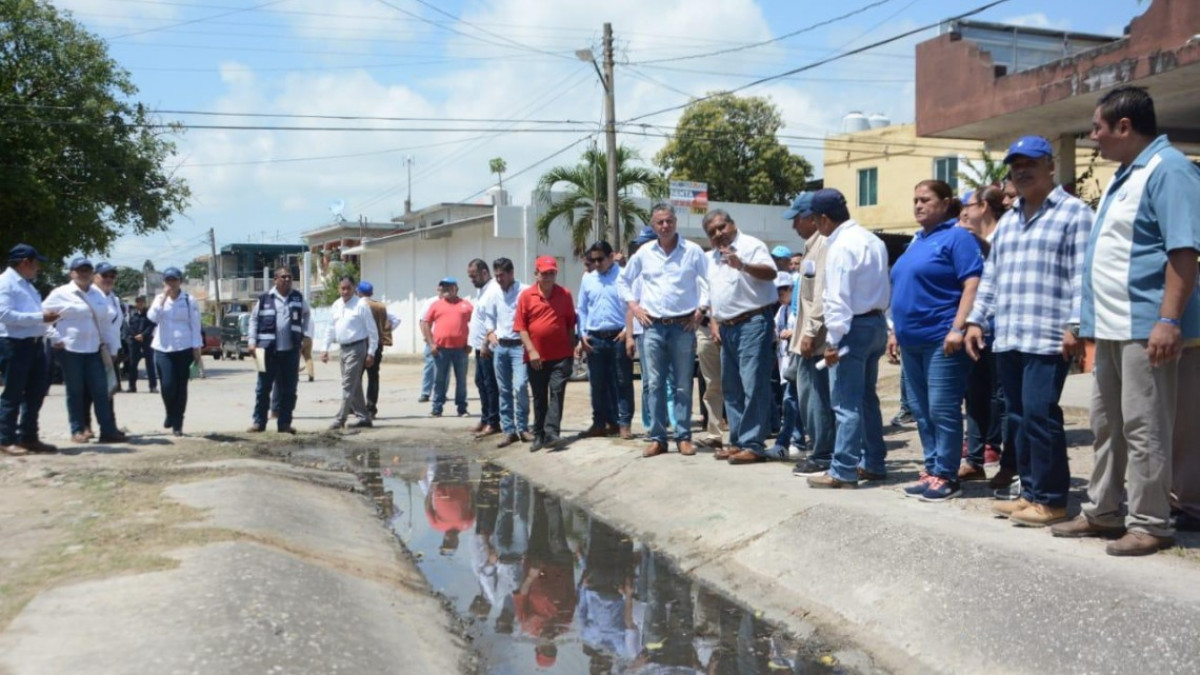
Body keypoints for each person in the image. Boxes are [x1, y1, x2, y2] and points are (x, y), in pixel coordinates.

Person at [1051, 87, 1200, 555]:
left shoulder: (1169, 170)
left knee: (1145, 425)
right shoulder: (1124, 175)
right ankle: (1104, 510)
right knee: (1107, 424)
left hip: (1144, 325)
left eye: (1097, 128)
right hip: (1113, 326)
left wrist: (1168, 320)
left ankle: (1151, 521)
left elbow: (1183, 250)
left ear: (1124, 127)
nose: (1092, 137)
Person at [962, 136, 1094, 526]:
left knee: (1040, 415)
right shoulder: (1008, 223)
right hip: (1010, 336)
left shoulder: (1074, 214)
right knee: (1018, 418)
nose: (1021, 170)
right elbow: (991, 279)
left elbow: (1083, 275)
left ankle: (1053, 500)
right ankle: (1031, 493)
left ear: (1050, 165)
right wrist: (975, 321)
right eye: (1015, 164)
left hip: (1049, 335)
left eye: (1030, 162)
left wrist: (1076, 325)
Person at [888, 180, 983, 501]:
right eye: (915, 199)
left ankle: (947, 474)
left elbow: (972, 282)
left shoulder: (958, 237)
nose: (918, 205)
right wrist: (893, 332)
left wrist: (959, 327)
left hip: (941, 339)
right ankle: (931, 469)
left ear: (945, 203)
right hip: (910, 340)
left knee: (942, 408)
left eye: (925, 199)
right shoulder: (916, 242)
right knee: (921, 409)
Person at [803, 189, 890, 490]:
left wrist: (832, 343)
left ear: (824, 219)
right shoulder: (873, 241)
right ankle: (875, 462)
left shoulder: (839, 247)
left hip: (850, 328)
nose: (815, 226)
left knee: (845, 403)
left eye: (814, 220)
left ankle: (843, 469)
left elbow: (837, 299)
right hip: (876, 323)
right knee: (866, 398)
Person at [618, 203, 709, 458]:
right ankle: (658, 438)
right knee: (654, 383)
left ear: (675, 222)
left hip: (683, 325)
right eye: (660, 222)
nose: (665, 226)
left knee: (682, 384)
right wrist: (634, 307)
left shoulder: (692, 251)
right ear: (652, 225)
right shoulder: (644, 253)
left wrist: (701, 311)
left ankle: (683, 436)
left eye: (669, 221)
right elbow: (623, 281)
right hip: (652, 326)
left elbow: (708, 281)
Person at [702, 209, 780, 465]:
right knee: (731, 387)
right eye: (712, 232)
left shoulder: (751, 245)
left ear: (732, 224)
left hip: (753, 322)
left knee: (753, 385)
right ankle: (737, 441)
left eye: (721, 227)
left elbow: (771, 273)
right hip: (727, 327)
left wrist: (742, 264)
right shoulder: (711, 259)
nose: (718, 234)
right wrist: (714, 321)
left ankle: (753, 444)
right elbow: (714, 293)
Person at [959, 186, 1014, 487]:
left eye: (969, 205)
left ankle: (1008, 465)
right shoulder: (967, 239)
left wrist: (975, 241)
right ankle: (975, 461)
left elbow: (999, 265)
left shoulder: (1004, 235)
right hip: (976, 329)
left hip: (1003, 329)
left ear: (984, 206)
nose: (964, 211)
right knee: (976, 397)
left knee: (1003, 400)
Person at [43, 258, 127, 444]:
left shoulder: (97, 296)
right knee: (75, 391)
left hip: (94, 349)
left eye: (87, 270)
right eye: (80, 270)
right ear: (72, 273)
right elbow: (41, 316)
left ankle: (107, 430)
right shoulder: (61, 293)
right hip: (70, 349)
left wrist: (112, 348)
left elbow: (104, 324)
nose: (84, 273)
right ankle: (77, 429)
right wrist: (55, 337)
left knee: (101, 391)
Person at [785, 193, 837, 478]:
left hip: (817, 339)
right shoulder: (811, 246)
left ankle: (822, 453)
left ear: (810, 217)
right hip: (807, 335)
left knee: (815, 396)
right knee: (807, 396)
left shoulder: (824, 246)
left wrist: (811, 331)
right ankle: (820, 449)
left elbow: (821, 294)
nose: (793, 225)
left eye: (796, 219)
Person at [0, 244, 60, 456]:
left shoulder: (28, 285)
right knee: (13, 392)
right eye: (36, 264)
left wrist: (46, 316)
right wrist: (40, 317)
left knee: (36, 391)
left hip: (34, 343)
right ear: (25, 262)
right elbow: (5, 315)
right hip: (14, 344)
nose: (38, 268)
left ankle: (28, 436)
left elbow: (32, 313)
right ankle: (5, 439)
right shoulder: (5, 283)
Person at [514, 256, 576, 452]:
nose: (549, 277)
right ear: (536, 274)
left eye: (552, 273)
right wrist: (531, 351)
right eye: (544, 273)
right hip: (536, 358)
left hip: (561, 356)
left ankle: (551, 432)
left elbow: (570, 324)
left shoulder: (565, 294)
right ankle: (539, 434)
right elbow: (521, 327)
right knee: (540, 397)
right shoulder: (526, 296)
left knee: (557, 392)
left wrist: (572, 349)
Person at [576, 241, 634, 439]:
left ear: (611, 257)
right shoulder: (588, 279)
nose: (596, 263)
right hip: (595, 339)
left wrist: (628, 330)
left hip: (618, 336)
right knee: (597, 383)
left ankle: (624, 423)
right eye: (593, 260)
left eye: (600, 259)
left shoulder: (624, 275)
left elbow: (633, 304)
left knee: (622, 381)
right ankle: (599, 423)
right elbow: (582, 309)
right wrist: (582, 334)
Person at [248, 266, 312, 433]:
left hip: (291, 351)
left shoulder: (298, 298)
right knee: (262, 388)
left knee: (289, 390)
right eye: (283, 277)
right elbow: (254, 320)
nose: (287, 280)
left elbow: (307, 315)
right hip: (265, 351)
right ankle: (259, 422)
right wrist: (252, 342)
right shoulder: (264, 299)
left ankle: (284, 424)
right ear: (275, 279)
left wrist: (305, 334)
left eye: (289, 277)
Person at [145, 266, 202, 437]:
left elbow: (195, 325)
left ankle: (178, 423)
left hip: (183, 348)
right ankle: (169, 412)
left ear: (180, 281)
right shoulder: (159, 299)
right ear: (164, 282)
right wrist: (162, 300)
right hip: (163, 348)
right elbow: (152, 318)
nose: (171, 283)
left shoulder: (188, 300)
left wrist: (196, 348)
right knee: (168, 386)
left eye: (174, 280)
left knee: (181, 388)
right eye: (168, 280)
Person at [481, 258, 532, 448]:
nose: (499, 279)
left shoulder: (525, 291)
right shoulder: (493, 293)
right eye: (497, 276)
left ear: (512, 273)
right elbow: (488, 317)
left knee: (520, 386)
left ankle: (523, 427)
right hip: (501, 347)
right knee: (504, 390)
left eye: (502, 275)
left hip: (519, 346)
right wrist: (490, 333)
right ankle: (509, 430)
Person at [321, 275, 378, 429]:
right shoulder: (336, 305)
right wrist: (325, 348)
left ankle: (341, 418)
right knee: (354, 384)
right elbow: (330, 328)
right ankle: (364, 417)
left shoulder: (361, 305)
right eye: (342, 288)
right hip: (343, 348)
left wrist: (371, 352)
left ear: (354, 289)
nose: (345, 291)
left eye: (348, 288)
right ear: (339, 289)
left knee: (347, 384)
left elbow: (372, 331)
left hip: (357, 348)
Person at [422, 277, 472, 418]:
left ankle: (462, 409)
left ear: (456, 288)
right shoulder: (436, 305)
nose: (446, 290)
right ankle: (437, 408)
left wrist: (470, 343)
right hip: (441, 349)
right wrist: (431, 343)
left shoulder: (466, 305)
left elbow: (476, 323)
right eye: (444, 287)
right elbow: (426, 323)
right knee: (439, 380)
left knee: (461, 380)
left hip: (461, 350)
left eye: (449, 287)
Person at [770, 272, 803, 460]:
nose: (779, 294)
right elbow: (775, 330)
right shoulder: (782, 310)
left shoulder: (796, 311)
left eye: (782, 290)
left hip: (794, 364)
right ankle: (794, 441)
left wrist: (792, 332)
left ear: (792, 289)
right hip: (784, 365)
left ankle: (793, 442)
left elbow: (801, 327)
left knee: (791, 402)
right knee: (789, 403)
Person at [466, 259, 500, 437]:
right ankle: (486, 417)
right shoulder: (483, 290)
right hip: (480, 347)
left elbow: (492, 321)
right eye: (470, 276)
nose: (472, 280)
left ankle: (493, 421)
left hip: (488, 347)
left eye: (474, 276)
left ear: (485, 273)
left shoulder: (493, 290)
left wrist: (485, 343)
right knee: (481, 382)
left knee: (490, 384)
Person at [358, 281, 398, 420]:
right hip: (376, 345)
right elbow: (396, 319)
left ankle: (354, 406)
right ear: (372, 293)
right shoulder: (380, 306)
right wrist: (384, 331)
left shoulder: (357, 305)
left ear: (358, 292)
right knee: (373, 376)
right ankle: (371, 408)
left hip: (360, 344)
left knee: (356, 377)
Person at [125, 295, 157, 394]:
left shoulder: (149, 313)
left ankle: (153, 386)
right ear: (136, 303)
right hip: (134, 342)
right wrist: (135, 335)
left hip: (146, 341)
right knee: (132, 364)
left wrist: (143, 335)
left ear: (144, 303)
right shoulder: (132, 313)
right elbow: (128, 326)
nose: (140, 303)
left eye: (142, 302)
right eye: (138, 302)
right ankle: (132, 386)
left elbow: (152, 326)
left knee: (150, 364)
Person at [418, 287, 441, 402]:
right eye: (441, 287)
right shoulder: (431, 302)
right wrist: (427, 338)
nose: (443, 290)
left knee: (443, 369)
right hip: (432, 339)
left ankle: (441, 392)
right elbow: (423, 321)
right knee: (430, 366)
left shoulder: (453, 302)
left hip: (446, 341)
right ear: (437, 289)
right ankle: (425, 393)